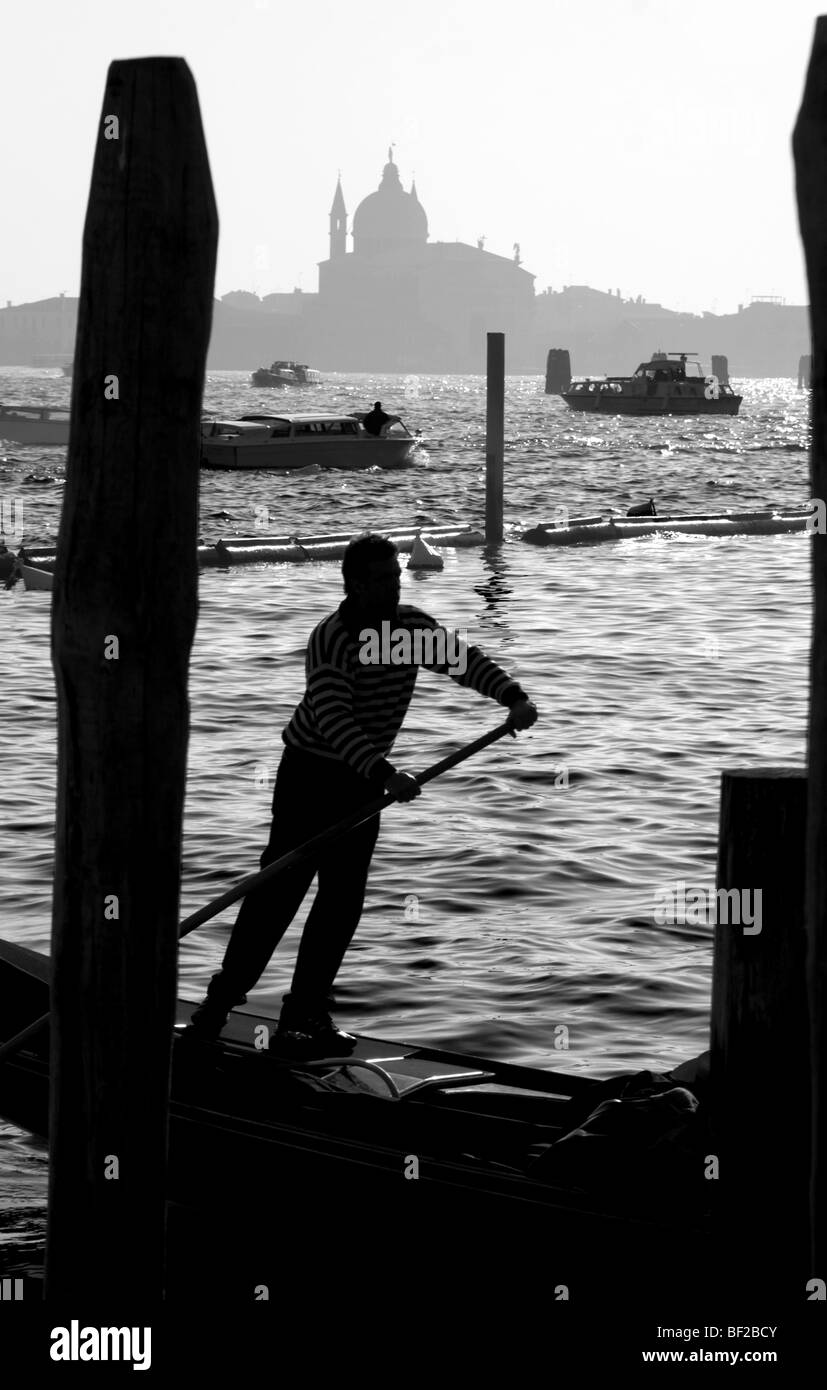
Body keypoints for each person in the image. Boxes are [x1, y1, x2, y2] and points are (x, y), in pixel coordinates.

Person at [188, 532, 538, 1055]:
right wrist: (383, 772)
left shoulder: (407, 629)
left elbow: (462, 661)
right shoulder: (335, 637)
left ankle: (302, 1017)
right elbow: (333, 718)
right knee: (277, 895)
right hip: (311, 774)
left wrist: (511, 696)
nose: (393, 588)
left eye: (395, 577)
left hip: (360, 781)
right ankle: (215, 1011)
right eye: (381, 580)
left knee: (342, 901)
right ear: (353, 585)